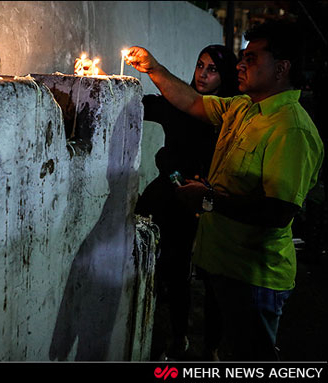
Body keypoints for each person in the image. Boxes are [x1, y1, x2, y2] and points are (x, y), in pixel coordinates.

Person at [127, 19, 324, 361]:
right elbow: (190, 101)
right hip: (223, 264)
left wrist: (207, 199)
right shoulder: (243, 108)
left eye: (252, 58)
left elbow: (278, 211)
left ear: (282, 68)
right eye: (242, 58)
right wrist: (152, 67)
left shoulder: (290, 129)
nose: (241, 65)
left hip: (254, 277)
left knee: (253, 360)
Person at [134, 44, 239, 360]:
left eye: (212, 69)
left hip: (210, 199)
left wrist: (206, 191)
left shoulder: (230, 114)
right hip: (171, 194)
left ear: (226, 76)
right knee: (173, 268)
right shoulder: (177, 103)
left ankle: (212, 348)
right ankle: (177, 336)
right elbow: (140, 105)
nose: (203, 74)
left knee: (212, 276)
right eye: (200, 66)